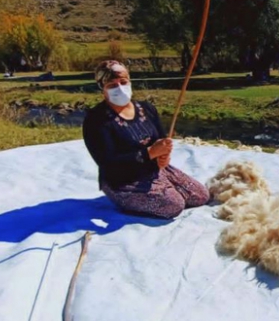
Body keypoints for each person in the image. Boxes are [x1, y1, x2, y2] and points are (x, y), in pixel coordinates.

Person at [82, 60, 210, 219]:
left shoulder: (146, 108)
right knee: (174, 205)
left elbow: (162, 140)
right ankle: (125, 199)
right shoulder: (96, 120)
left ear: (130, 81)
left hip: (153, 168)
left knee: (200, 196)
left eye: (123, 82)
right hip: (121, 180)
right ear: (102, 88)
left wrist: (164, 155)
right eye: (112, 85)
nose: (120, 88)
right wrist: (149, 153)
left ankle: (163, 187)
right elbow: (108, 163)